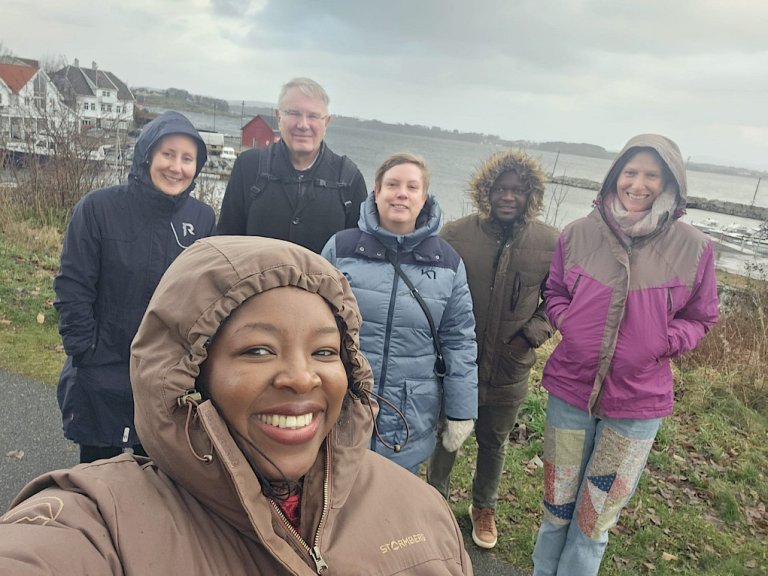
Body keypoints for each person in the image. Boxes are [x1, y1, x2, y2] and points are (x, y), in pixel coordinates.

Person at [0, 236, 474, 575]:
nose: (302, 377)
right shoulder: (103, 523)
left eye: (325, 351)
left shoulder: (422, 511)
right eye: (258, 350)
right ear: (190, 376)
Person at [531, 134, 720, 576]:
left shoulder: (694, 247)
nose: (638, 184)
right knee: (556, 509)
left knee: (592, 522)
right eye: (630, 172)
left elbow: (701, 317)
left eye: (651, 175)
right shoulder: (578, 234)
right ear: (615, 176)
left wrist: (662, 342)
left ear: (670, 182)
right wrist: (570, 322)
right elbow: (554, 290)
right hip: (570, 393)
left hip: (636, 404)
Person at [53, 110, 216, 463]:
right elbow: (73, 286)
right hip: (101, 366)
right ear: (147, 155)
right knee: (98, 476)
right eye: (168, 154)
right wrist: (84, 350)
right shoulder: (97, 208)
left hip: (165, 376)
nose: (176, 167)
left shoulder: (202, 219)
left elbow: (206, 296)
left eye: (187, 158)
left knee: (155, 475)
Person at [427, 150, 559, 549]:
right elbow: (431, 286)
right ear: (486, 190)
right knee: (447, 435)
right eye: (500, 188)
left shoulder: (550, 242)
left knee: (494, 442)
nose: (508, 196)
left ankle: (483, 506)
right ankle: (433, 503)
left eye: (518, 190)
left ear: (531, 194)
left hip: (510, 366)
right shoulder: (455, 234)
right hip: (457, 363)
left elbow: (558, 299)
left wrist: (529, 336)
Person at [322, 152, 478, 473]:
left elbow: (459, 339)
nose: (401, 194)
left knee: (394, 496)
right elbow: (314, 323)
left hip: (409, 413)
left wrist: (461, 411)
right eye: (392, 185)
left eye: (412, 187)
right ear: (377, 192)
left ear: (424, 197)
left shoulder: (448, 263)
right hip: (343, 403)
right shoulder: (341, 249)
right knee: (334, 490)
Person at [216, 77, 368, 253]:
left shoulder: (349, 178)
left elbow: (355, 257)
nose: (303, 125)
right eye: (294, 113)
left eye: (313, 116)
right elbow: (225, 244)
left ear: (326, 122)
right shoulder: (249, 166)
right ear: (278, 117)